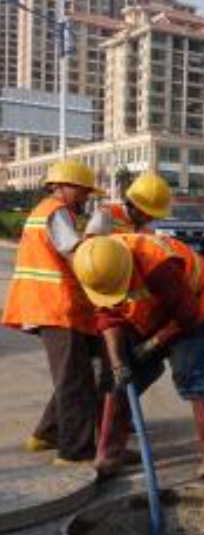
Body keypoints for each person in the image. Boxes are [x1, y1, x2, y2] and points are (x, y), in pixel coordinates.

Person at [73, 233, 204, 479]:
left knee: (188, 375)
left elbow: (186, 316)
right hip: (150, 310)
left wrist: (152, 345)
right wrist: (117, 363)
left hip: (195, 304)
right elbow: (108, 317)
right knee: (117, 381)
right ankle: (111, 454)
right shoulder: (93, 266)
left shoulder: (157, 265)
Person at [1, 160, 107, 466]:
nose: (86, 196)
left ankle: (47, 433)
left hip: (50, 307)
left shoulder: (49, 212)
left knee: (76, 375)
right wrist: (96, 238)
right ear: (61, 187)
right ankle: (74, 453)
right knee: (75, 381)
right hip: (56, 309)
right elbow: (78, 258)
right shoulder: (56, 213)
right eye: (83, 190)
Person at [85, 171, 171, 235]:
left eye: (153, 216)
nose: (149, 220)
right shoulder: (106, 215)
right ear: (133, 205)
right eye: (146, 214)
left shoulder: (147, 227)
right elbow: (89, 248)